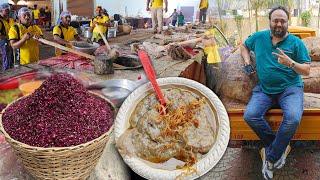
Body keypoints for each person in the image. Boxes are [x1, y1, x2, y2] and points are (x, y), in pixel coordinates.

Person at [240, 6, 310, 179]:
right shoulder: (259, 37)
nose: (279, 24)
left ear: (288, 23)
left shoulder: (296, 43)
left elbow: (307, 70)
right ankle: (280, 147)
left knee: (293, 117)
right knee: (250, 115)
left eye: (283, 21)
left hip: (290, 89)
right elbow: (243, 46)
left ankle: (270, 156)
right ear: (270, 22)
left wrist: (291, 63)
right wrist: (247, 61)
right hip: (264, 89)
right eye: (275, 20)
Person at [0, 3, 15, 70]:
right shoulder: (0, 21)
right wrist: (8, 39)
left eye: (9, 10)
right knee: (6, 56)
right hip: (4, 41)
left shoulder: (10, 19)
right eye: (6, 10)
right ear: (1, 10)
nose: (8, 11)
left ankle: (11, 69)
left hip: (11, 40)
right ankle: (7, 71)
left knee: (11, 56)